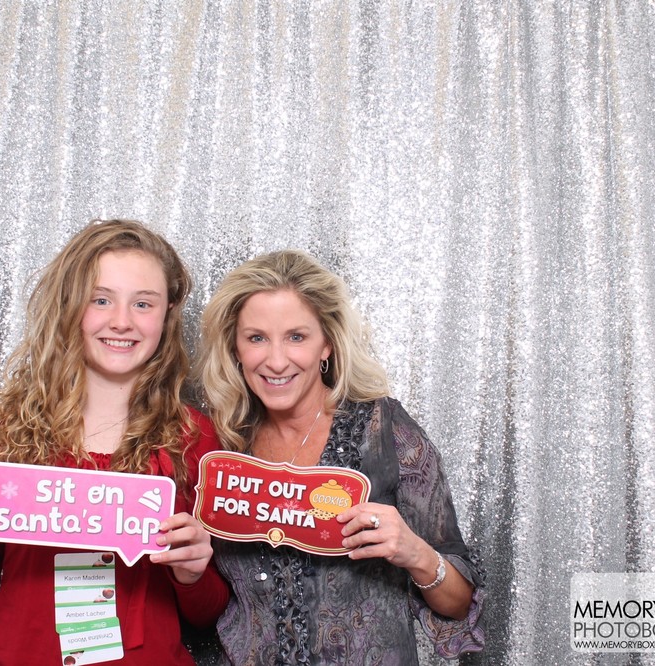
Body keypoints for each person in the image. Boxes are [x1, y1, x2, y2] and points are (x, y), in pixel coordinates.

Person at [0, 219, 229, 665]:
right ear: (70, 305)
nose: (121, 321)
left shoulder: (193, 438)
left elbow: (209, 614)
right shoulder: (9, 431)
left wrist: (192, 573)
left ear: (167, 316)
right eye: (100, 299)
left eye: (142, 303)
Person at [197, 250, 484, 664]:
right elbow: (206, 600)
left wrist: (415, 552)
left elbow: (458, 604)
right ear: (235, 348)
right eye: (256, 338)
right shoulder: (221, 446)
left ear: (326, 344)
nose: (276, 360)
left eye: (296, 337)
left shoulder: (383, 430)